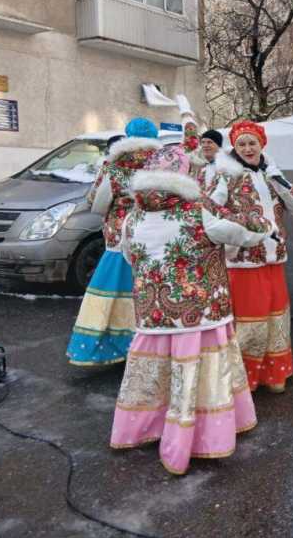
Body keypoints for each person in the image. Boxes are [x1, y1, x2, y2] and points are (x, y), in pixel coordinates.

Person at [111, 168, 270, 475]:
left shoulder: (133, 218)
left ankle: (139, 429)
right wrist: (258, 221)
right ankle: (194, 439)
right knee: (201, 374)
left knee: (152, 372)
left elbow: (130, 257)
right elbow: (246, 234)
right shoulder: (199, 212)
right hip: (201, 313)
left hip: (152, 313)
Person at [208, 121, 293, 394]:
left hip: (275, 259)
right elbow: (209, 211)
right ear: (235, 147)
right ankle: (244, 377)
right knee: (251, 321)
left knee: (276, 317)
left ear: (262, 144)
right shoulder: (226, 176)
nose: (248, 149)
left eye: (252, 143)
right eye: (242, 144)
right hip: (244, 260)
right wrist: (243, 230)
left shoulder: (271, 174)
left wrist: (277, 178)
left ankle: (274, 372)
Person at [66, 119, 160, 366]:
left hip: (120, 236)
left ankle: (111, 346)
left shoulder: (116, 163)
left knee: (113, 290)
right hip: (153, 234)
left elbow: (97, 201)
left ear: (127, 136)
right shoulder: (162, 162)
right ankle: (153, 345)